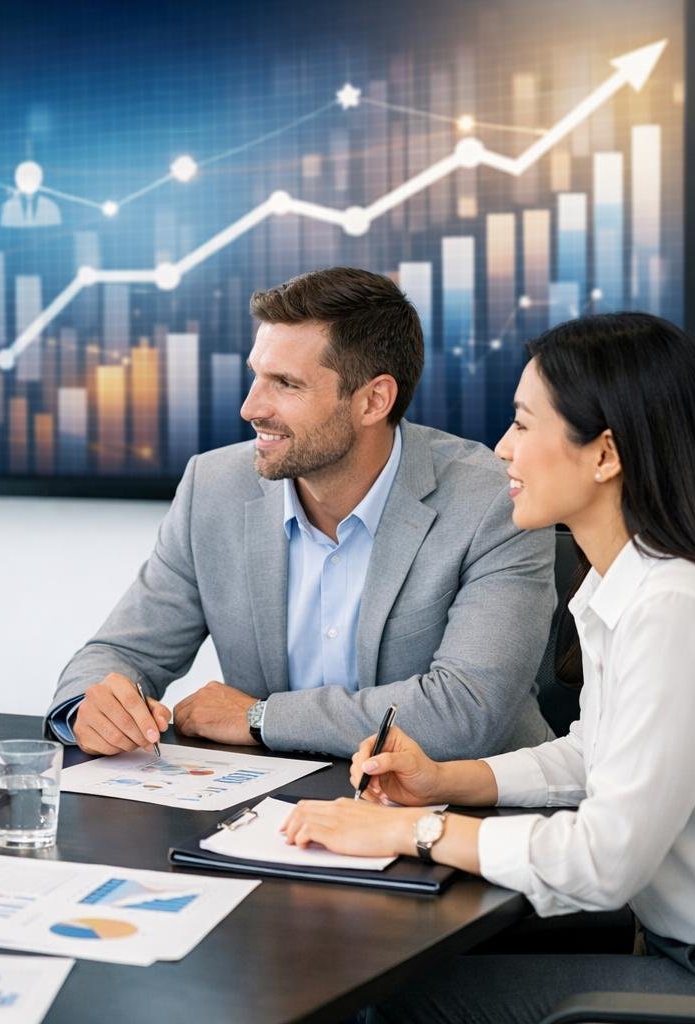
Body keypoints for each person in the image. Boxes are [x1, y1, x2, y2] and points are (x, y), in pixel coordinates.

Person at [282, 313, 695, 1020]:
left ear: (605, 454)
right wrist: (442, 781)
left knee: (395, 1007)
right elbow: (595, 755)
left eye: (523, 425)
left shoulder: (679, 606)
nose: (501, 451)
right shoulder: (631, 583)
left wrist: (411, 831)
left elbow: (605, 859)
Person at [47, 266, 555, 759]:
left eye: (285, 384)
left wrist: (260, 717)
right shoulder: (214, 487)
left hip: (470, 816)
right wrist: (90, 706)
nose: (251, 408)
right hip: (272, 814)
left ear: (373, 400)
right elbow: (123, 652)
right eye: (256, 377)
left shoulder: (493, 497)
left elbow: (464, 712)